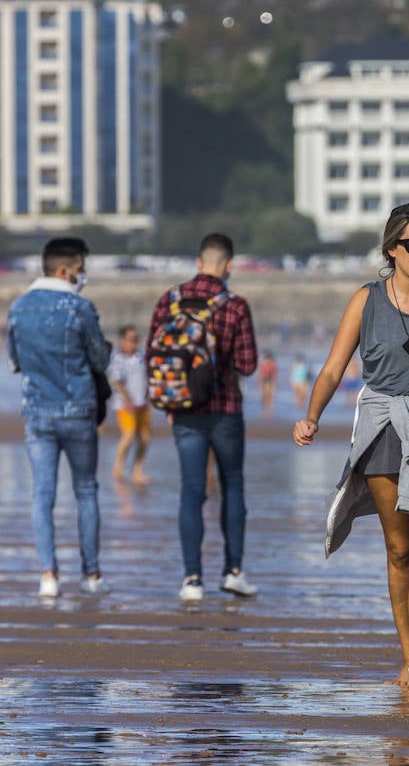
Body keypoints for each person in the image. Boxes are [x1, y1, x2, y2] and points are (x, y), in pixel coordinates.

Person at [295, 203, 409, 690]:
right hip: (384, 426)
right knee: (399, 550)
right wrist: (311, 416)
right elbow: (335, 367)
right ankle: (407, 654)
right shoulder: (366, 300)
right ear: (391, 249)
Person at [148, 233, 260, 601]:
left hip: (183, 410)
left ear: (199, 262)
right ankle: (233, 572)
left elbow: (153, 354)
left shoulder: (170, 300)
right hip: (225, 409)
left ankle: (191, 579)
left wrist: (169, 400)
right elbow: (248, 364)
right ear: (229, 265)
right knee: (233, 486)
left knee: (191, 490)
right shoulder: (235, 305)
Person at [6, 237, 113, 598]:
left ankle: (48, 574)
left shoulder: (18, 307)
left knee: (42, 495)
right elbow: (100, 360)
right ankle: (91, 574)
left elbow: (14, 361)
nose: (83, 277)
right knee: (85, 490)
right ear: (65, 270)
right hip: (78, 409)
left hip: (36, 411)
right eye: (81, 270)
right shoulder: (79, 307)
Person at [108, 325, 152, 485]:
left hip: (142, 402)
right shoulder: (117, 358)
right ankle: (118, 467)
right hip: (125, 404)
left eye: (136, 339)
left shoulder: (141, 356)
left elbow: (148, 378)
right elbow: (117, 381)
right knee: (129, 434)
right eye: (131, 339)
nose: (134, 343)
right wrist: (128, 401)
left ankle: (137, 470)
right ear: (123, 340)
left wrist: (149, 398)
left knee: (145, 438)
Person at [258, 351, 278, 418]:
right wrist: (259, 382)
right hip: (265, 380)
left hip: (270, 380)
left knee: (269, 395)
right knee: (264, 395)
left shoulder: (272, 364)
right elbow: (260, 374)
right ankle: (266, 409)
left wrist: (275, 382)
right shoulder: (263, 364)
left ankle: (268, 409)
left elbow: (275, 374)